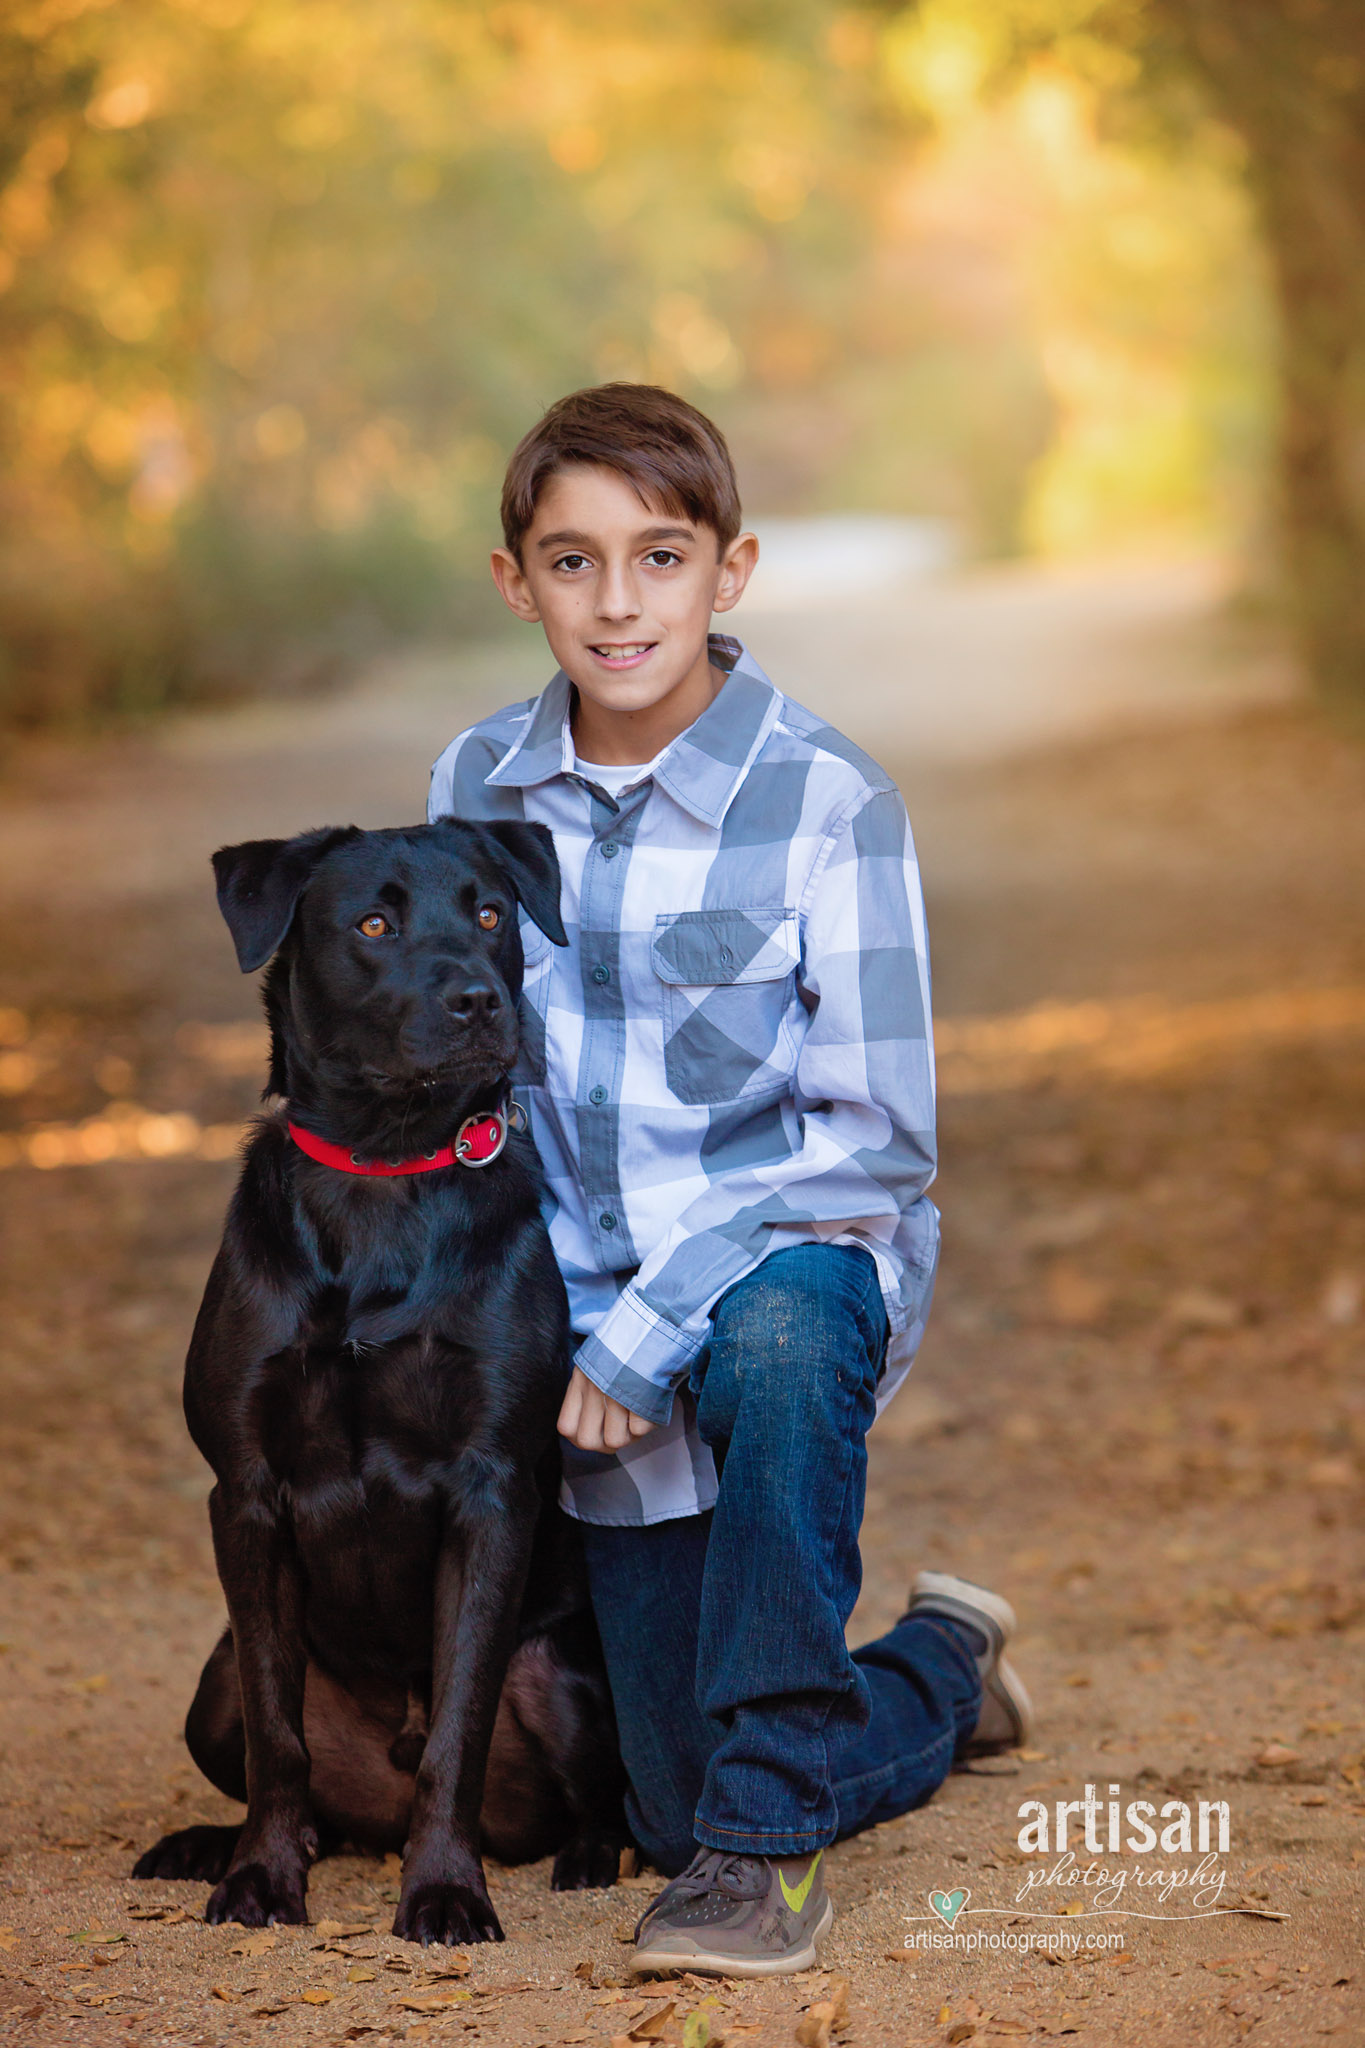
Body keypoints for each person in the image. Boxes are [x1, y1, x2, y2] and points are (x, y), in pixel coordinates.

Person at [427, 383, 1032, 1979]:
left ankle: (761, 1869)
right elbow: (460, 1088)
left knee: (770, 1329)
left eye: (660, 556)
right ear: (514, 582)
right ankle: (938, 1671)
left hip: (789, 1270)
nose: (617, 603)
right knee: (663, 1788)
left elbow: (877, 1139)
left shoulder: (827, 797)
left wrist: (647, 1325)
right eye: (571, 562)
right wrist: (538, 1325)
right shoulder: (473, 790)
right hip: (583, 1332)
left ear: (729, 571)